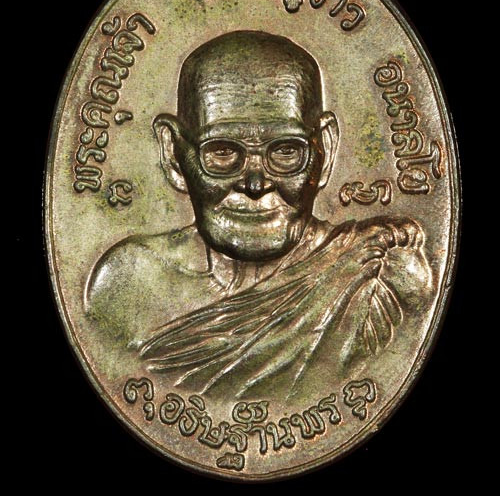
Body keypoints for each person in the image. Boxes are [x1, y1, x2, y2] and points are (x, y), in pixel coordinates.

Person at [86, 30, 433, 400]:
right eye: (223, 152)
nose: (255, 183)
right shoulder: (127, 284)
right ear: (173, 153)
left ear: (326, 150)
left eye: (285, 151)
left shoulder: (378, 277)